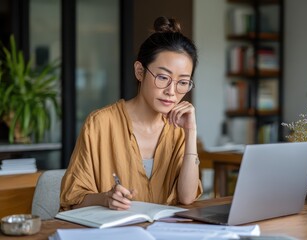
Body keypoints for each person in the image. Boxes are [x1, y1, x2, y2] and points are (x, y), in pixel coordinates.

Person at [60, 16, 203, 211]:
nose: (172, 91)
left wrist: (191, 131)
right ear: (139, 71)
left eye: (183, 82)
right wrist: (105, 198)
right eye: (163, 77)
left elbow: (187, 198)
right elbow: (73, 199)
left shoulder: (179, 128)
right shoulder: (100, 123)